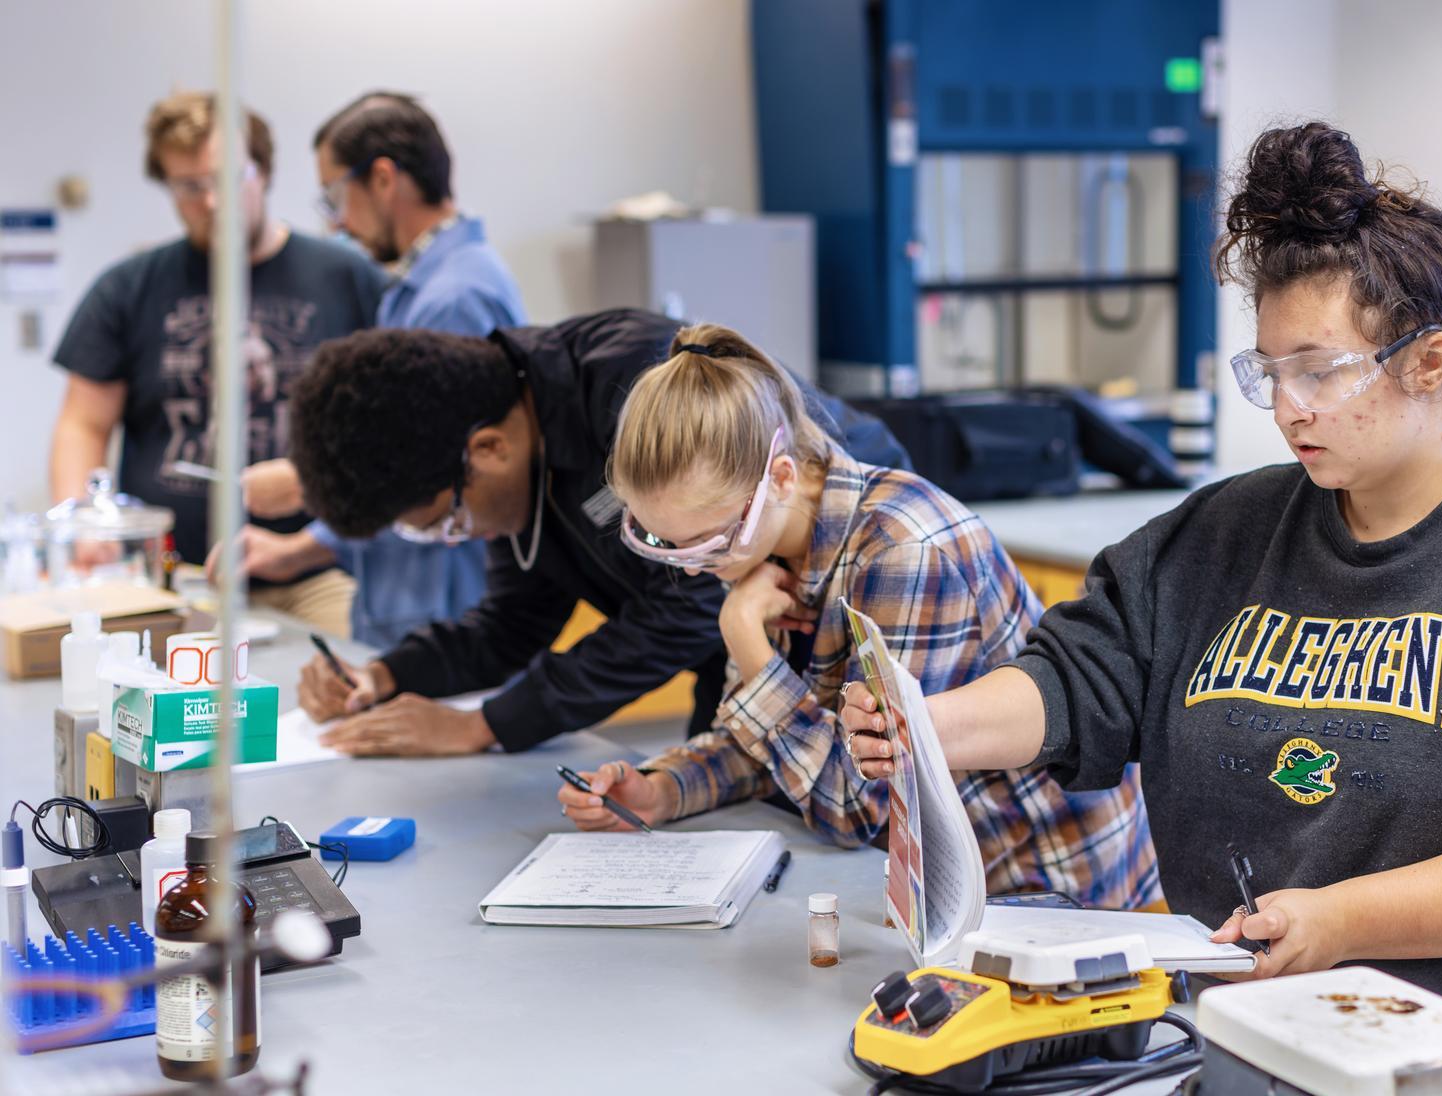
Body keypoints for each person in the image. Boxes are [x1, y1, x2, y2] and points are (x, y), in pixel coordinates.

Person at [841, 122, 1442, 1012]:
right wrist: (931, 728)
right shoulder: (1224, 529)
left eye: (1322, 372)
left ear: (1431, 362)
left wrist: (1342, 920)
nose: (1289, 409)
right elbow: (1084, 677)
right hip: (1233, 1021)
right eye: (1272, 372)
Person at [552, 325, 1160, 908]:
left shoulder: (903, 554)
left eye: (708, 544)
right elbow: (774, 745)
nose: (690, 570)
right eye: (666, 545)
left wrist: (747, 644)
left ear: (781, 477)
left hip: (1045, 891)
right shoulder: (762, 545)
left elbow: (853, 801)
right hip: (931, 880)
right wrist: (661, 790)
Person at [284, 309, 907, 757]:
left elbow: (690, 599)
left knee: (840, 790)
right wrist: (387, 676)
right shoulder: (513, 455)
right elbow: (514, 622)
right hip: (745, 629)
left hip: (855, 584)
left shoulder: (630, 388)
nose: (458, 538)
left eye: (448, 520)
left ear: (489, 449)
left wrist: (486, 725)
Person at [50, 91, 385, 636]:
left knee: (345, 687)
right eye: (188, 187)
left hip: (316, 572)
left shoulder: (348, 280)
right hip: (170, 577)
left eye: (227, 179)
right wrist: (84, 526)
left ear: (265, 172)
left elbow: (392, 426)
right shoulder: (129, 287)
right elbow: (83, 423)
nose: (210, 202)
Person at [221, 91, 528, 648]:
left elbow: (434, 472)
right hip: (411, 601)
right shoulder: (424, 290)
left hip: (442, 606)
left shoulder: (454, 299)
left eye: (336, 194)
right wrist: (299, 550)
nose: (336, 221)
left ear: (384, 179)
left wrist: (304, 484)